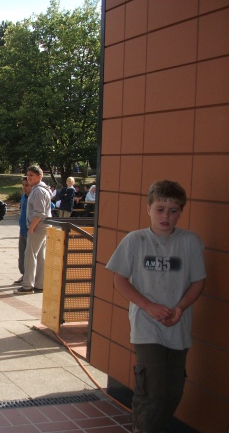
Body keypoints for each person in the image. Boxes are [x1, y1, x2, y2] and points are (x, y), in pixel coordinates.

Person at [106, 180, 206, 433]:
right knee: (153, 388)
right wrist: (148, 306)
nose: (166, 217)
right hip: (146, 326)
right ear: (148, 209)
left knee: (173, 390)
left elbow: (198, 281)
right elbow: (120, 280)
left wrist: (180, 308)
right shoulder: (135, 240)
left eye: (173, 211)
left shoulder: (190, 241)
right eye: (160, 209)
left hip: (178, 325)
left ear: (181, 212)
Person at [14, 165, 52, 294]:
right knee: (40, 256)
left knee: (30, 256)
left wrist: (31, 227)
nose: (29, 178)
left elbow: (39, 212)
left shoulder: (38, 191)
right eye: (28, 175)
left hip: (38, 228)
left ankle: (27, 286)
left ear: (39, 177)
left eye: (32, 175)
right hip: (42, 227)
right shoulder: (38, 189)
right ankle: (40, 284)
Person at [14, 178, 32, 284]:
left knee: (29, 256)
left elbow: (50, 206)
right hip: (22, 230)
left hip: (31, 230)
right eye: (23, 185)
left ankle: (29, 277)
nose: (24, 187)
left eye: (27, 185)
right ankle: (24, 274)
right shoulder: (23, 197)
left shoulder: (34, 197)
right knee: (22, 255)